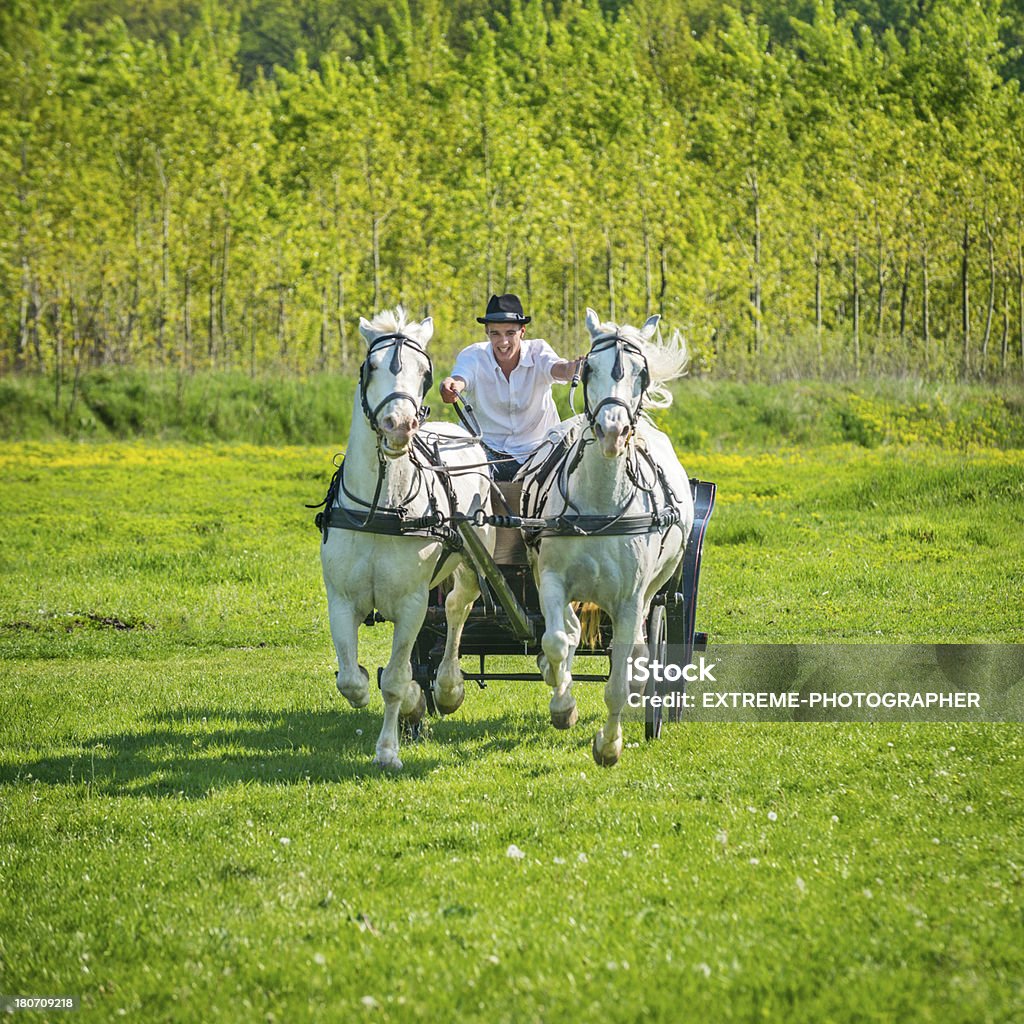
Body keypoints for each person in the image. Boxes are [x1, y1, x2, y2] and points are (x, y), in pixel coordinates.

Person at [439, 294, 582, 481]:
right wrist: (452, 386)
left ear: (522, 331)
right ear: (487, 332)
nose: (503, 342)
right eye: (495, 334)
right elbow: (460, 378)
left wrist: (572, 369)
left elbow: (558, 369)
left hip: (539, 451)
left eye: (510, 333)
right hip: (485, 451)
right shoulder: (474, 355)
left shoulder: (538, 351)